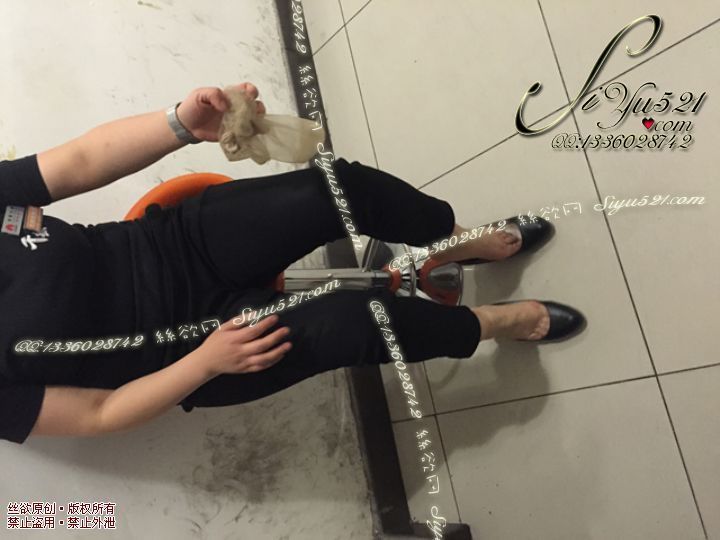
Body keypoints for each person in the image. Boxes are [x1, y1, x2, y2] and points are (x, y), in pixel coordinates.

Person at [0, 82, 584, 445]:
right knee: (362, 323)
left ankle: (462, 243)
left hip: (173, 245)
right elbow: (99, 414)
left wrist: (182, 124)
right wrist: (205, 362)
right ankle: (497, 323)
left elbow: (78, 161)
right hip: (189, 350)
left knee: (339, 189)